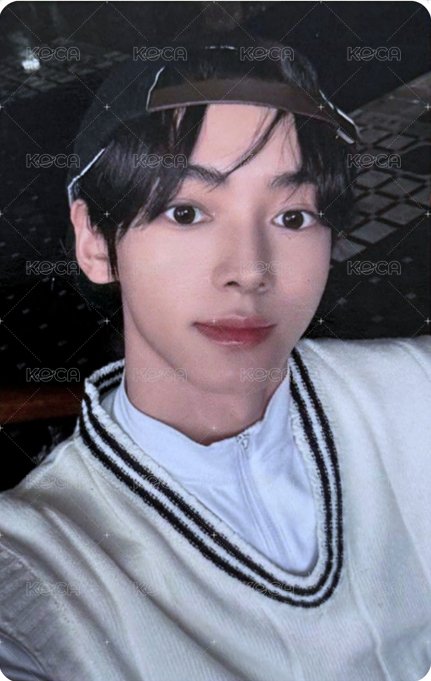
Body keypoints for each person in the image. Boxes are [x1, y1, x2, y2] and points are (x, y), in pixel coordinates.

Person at [0, 29, 430, 681]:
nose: (249, 270)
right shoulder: (37, 572)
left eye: (292, 217)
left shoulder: (414, 389)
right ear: (95, 241)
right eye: (185, 212)